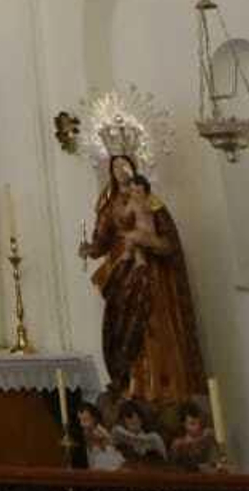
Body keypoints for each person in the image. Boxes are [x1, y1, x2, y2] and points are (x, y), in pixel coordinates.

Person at [79, 149, 207, 406]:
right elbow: (101, 240)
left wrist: (148, 241)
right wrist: (88, 249)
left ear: (134, 167)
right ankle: (130, 383)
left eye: (124, 165)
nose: (120, 171)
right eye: (115, 167)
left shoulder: (152, 202)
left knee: (153, 325)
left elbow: (169, 241)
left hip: (152, 273)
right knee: (122, 326)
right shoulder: (110, 205)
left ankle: (161, 389)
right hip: (121, 273)